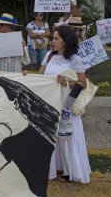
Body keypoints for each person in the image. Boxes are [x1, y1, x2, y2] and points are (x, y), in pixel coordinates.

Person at [39, 26, 91, 183]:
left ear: (66, 41)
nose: (52, 42)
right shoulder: (48, 56)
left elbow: (83, 83)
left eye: (56, 39)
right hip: (50, 102)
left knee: (67, 136)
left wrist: (66, 82)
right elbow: (41, 76)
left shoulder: (75, 59)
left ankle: (70, 170)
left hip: (66, 103)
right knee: (51, 135)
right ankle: (52, 168)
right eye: (53, 38)